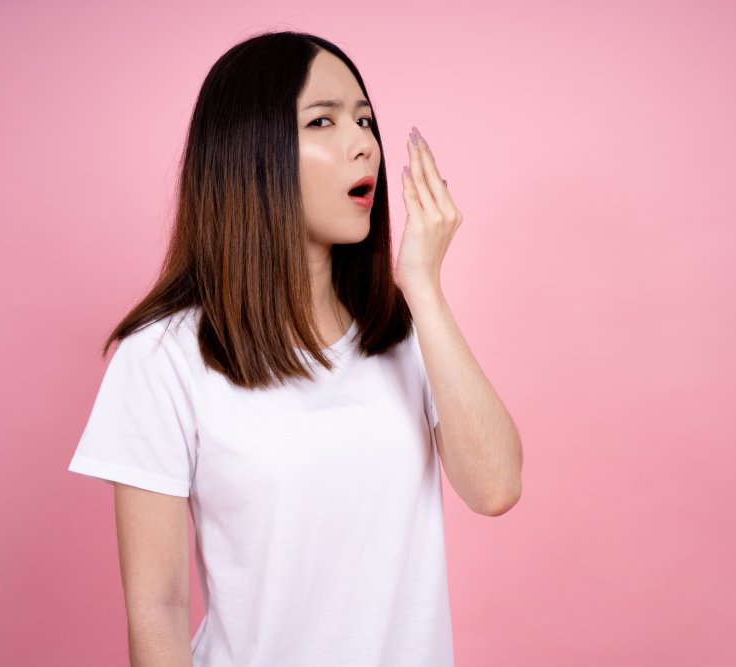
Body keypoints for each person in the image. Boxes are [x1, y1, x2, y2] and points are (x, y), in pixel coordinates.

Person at [68, 30, 522, 667]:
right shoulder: (164, 357)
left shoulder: (402, 329)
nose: (364, 142)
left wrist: (422, 284)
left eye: (365, 119)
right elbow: (158, 609)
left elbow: (496, 486)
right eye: (323, 121)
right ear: (250, 154)